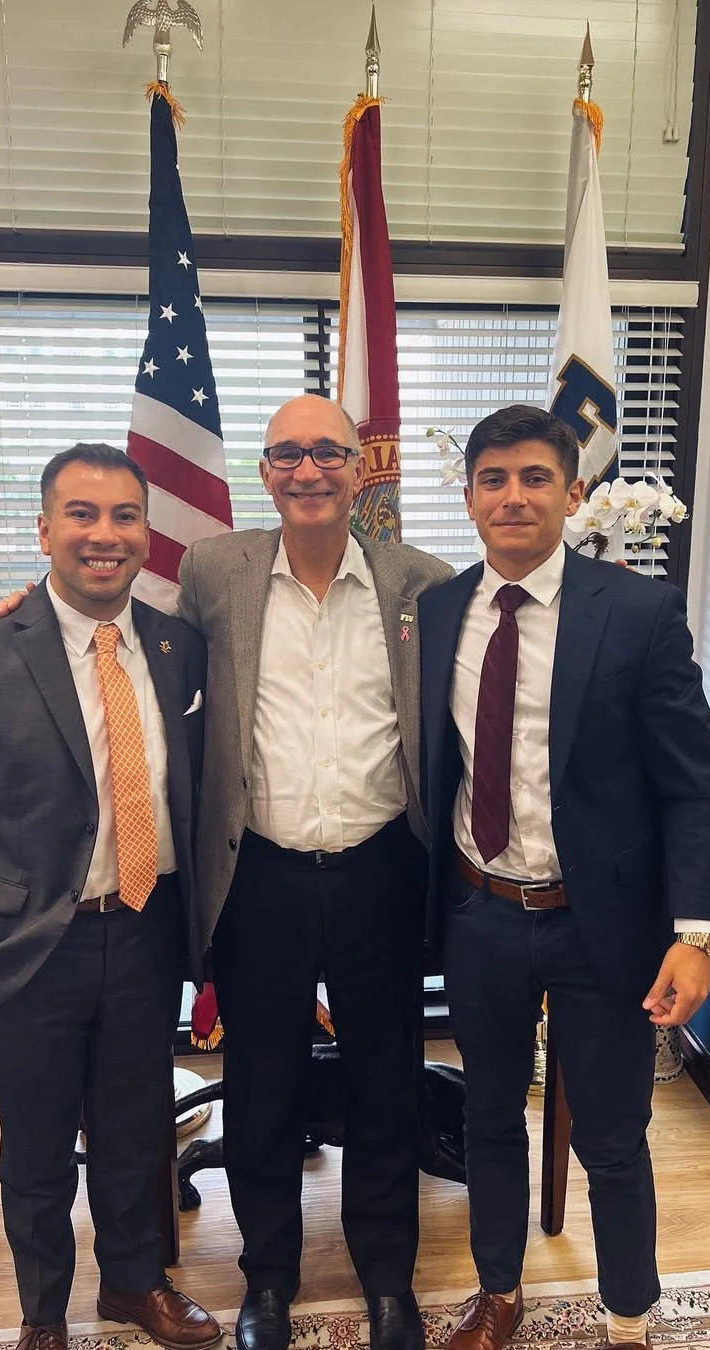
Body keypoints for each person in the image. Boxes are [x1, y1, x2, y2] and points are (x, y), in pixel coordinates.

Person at [0, 444, 219, 1350]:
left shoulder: (177, 648)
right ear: (44, 530)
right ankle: (43, 1314)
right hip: (27, 949)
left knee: (134, 1131)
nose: (104, 535)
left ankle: (135, 1285)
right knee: (35, 1152)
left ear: (146, 533)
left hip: (146, 932)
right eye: (82, 513)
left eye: (124, 516)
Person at [418, 405, 710, 1350]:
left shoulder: (636, 613)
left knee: (612, 1136)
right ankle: (498, 1292)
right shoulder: (437, 612)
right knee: (489, 1117)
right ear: (468, 496)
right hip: (480, 910)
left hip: (605, 924)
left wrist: (695, 934)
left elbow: (688, 783)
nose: (513, 497)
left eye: (535, 478)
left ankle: (628, 1315)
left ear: (574, 493)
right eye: (494, 479)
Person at [177, 394, 452, 1350]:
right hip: (260, 874)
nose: (308, 470)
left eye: (328, 452)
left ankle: (387, 1279)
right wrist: (21, 608)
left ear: (359, 468)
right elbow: (139, 645)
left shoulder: (423, 583)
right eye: (287, 454)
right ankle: (267, 1279)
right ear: (263, 472)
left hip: (383, 868)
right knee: (263, 1084)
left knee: (387, 1080)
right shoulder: (214, 571)